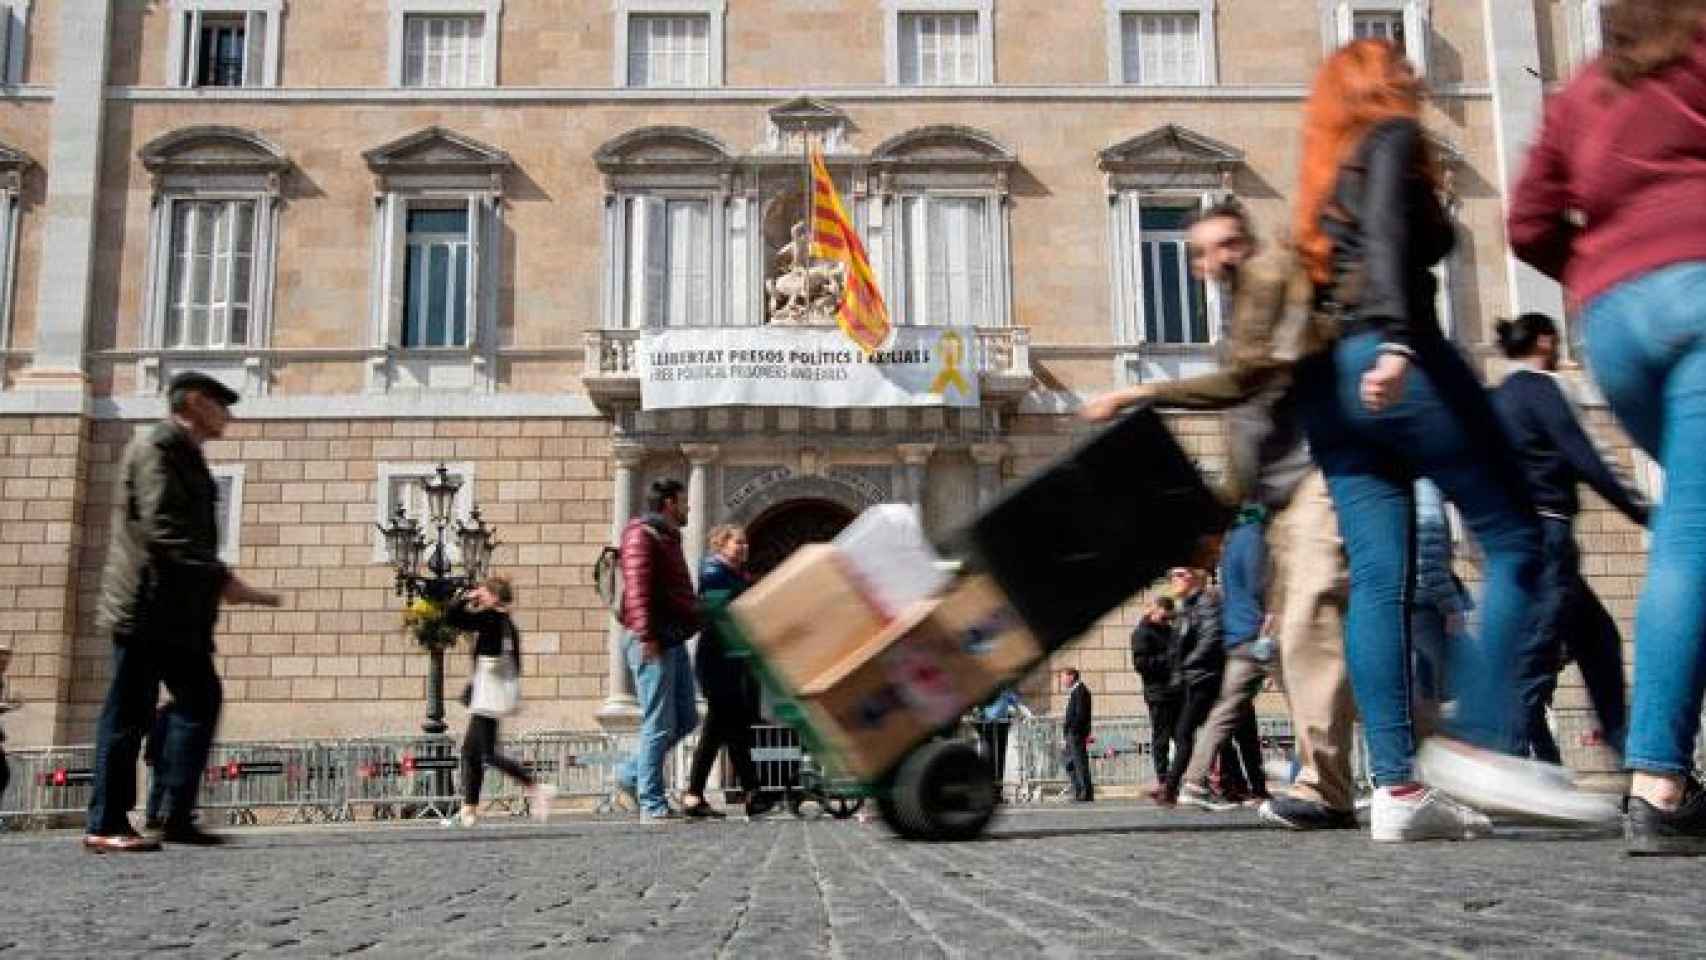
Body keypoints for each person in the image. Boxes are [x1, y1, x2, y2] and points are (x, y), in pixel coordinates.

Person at [1289, 39, 1610, 841]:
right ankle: (1477, 742)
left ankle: (1396, 790)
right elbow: (1395, 237)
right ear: (1382, 89)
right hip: (1395, 357)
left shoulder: (1324, 180)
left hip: (1329, 387)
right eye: (1400, 69)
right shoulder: (1391, 140)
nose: (1416, 78)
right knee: (1516, 538)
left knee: (1379, 582)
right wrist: (1398, 338)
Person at [1083, 199, 1360, 831]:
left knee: (1313, 620)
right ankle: (1345, 783)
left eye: (1236, 240)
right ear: (1200, 264)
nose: (1229, 255)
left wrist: (1140, 391)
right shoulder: (1241, 316)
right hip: (1278, 501)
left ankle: (1408, 757)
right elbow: (1246, 430)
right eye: (1215, 248)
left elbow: (1241, 386)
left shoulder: (1273, 284)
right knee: (1300, 641)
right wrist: (1225, 519)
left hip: (1324, 472)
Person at [1506, 0, 1706, 854]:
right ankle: (1658, 779)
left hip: (1614, 326)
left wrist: (1599, 265)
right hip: (1698, 287)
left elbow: (1525, 223)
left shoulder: (1584, 86)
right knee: (1693, 536)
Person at [84, 371, 282, 852]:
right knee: (128, 713)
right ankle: (107, 822)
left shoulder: (185, 453)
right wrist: (222, 580)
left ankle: (173, 813)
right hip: (146, 605)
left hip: (179, 613)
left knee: (200, 701)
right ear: (194, 402)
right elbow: (161, 529)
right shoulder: (156, 448)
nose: (228, 416)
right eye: (221, 405)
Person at [1491, 313, 1649, 762]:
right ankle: (1512, 759)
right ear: (1545, 340)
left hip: (1520, 534)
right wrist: (1644, 512)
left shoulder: (1497, 397)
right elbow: (1585, 456)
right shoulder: (1540, 388)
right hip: (1549, 534)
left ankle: (1630, 756)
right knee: (1537, 650)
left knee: (1598, 638)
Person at [615, 479, 701, 823]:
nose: (688, 508)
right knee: (658, 721)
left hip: (672, 638)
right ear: (668, 502)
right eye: (683, 501)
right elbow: (636, 588)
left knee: (685, 718)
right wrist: (646, 634)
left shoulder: (666, 536)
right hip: (651, 639)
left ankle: (631, 775)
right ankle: (651, 802)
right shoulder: (641, 535)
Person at [1179, 508, 1273, 808]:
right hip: (1263, 634)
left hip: (1238, 641)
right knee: (1311, 703)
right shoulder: (1257, 538)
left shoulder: (1230, 545)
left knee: (1221, 715)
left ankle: (1193, 782)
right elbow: (1264, 588)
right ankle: (1323, 781)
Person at [444, 577, 555, 829]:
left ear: (494, 596)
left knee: (487, 753)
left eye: (483, 592)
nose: (479, 595)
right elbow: (515, 664)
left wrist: (464, 599)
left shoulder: (491, 618)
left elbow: (453, 618)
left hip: (487, 696)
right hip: (490, 694)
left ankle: (535, 787)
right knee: (471, 752)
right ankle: (469, 809)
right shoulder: (507, 624)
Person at [682, 524, 773, 819]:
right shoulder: (713, 573)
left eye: (746, 544)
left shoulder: (733, 575)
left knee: (723, 731)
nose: (744, 548)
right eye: (738, 543)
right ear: (721, 545)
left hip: (732, 662)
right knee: (729, 730)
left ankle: (698, 795)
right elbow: (720, 616)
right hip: (718, 662)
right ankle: (751, 792)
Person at [1157, 567, 1225, 806]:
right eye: (1172, 575)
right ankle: (1223, 783)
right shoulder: (1186, 607)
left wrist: (1188, 663)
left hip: (1204, 677)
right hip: (1191, 679)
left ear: (1192, 577)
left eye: (1178, 574)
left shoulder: (1205, 602)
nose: (1173, 580)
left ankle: (1172, 787)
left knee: (1185, 732)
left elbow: (1211, 636)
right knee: (1210, 732)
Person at [1409, 479, 1472, 729]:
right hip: (1426, 604)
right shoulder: (1425, 485)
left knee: (1424, 692)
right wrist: (1451, 606)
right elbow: (1429, 551)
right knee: (1436, 695)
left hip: (1412, 601)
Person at [1130, 597, 1182, 791]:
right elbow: (1141, 664)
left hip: (1177, 692)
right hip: (1158, 693)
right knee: (1162, 737)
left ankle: (1181, 777)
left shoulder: (1169, 630)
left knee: (1183, 737)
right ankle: (1163, 778)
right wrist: (1169, 659)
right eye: (1164, 616)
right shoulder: (1142, 633)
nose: (1167, 620)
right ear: (1154, 610)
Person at [974, 686, 1030, 804]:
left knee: (999, 761)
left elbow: (1017, 703)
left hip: (1001, 727)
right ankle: (987, 793)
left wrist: (1027, 716)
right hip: (988, 726)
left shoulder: (1006, 690)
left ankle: (997, 793)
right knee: (988, 760)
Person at [1060, 668, 1093, 802]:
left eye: (1063, 677)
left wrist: (1072, 730)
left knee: (1079, 763)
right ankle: (1078, 790)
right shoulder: (1075, 691)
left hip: (1076, 734)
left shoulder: (1081, 691)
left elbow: (1080, 714)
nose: (1062, 681)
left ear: (1072, 676)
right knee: (1069, 763)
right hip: (1071, 734)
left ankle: (1085, 792)